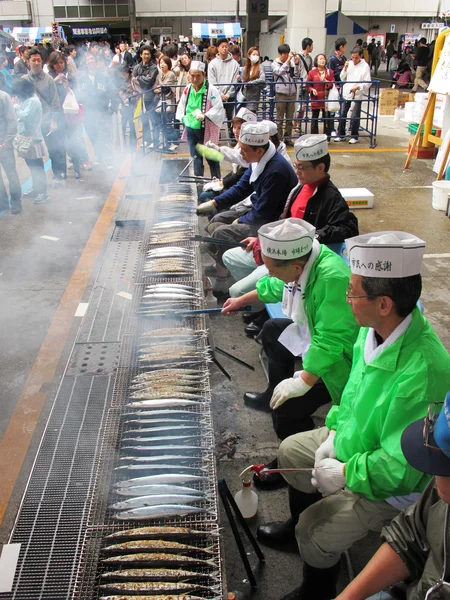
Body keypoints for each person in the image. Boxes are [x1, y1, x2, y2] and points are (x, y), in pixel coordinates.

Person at [256, 231, 450, 600]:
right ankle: (299, 533)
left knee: (315, 529)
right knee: (292, 451)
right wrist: (332, 434)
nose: (346, 299)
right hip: (354, 444)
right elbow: (350, 394)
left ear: (384, 304)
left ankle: (316, 586)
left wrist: (347, 472)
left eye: (353, 293)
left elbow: (403, 467)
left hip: (391, 485)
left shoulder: (425, 371)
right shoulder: (371, 331)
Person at [222, 216, 358, 475]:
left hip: (341, 361)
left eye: (272, 268)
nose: (269, 272)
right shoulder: (306, 260)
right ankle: (272, 392)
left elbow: (332, 341)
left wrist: (302, 381)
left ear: (296, 268)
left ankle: (296, 463)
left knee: (286, 410)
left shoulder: (332, 277)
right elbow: (275, 285)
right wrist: (240, 300)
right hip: (316, 337)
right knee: (273, 331)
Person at [222, 135, 358, 335]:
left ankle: (268, 313)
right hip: (279, 251)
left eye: (303, 168)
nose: (297, 172)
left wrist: (309, 238)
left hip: (295, 256)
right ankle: (262, 308)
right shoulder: (299, 187)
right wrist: (264, 240)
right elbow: (284, 221)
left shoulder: (331, 197)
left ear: (320, 168)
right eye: (296, 166)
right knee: (230, 257)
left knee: (237, 290)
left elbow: (348, 227)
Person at [335, 390, 450, 600]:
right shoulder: (441, 493)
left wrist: (347, 473)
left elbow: (397, 472)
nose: (433, 476)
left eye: (444, 466)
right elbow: (412, 534)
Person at [198, 121, 297, 295]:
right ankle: (222, 265)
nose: (240, 154)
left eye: (244, 150)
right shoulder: (258, 159)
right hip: (259, 211)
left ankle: (223, 281)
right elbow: (241, 188)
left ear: (259, 150)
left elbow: (263, 213)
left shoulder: (276, 171)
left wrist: (238, 220)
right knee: (217, 218)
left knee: (220, 232)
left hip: (271, 223)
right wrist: (215, 203)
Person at [175, 60, 224, 178]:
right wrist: (184, 118)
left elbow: (218, 108)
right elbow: (182, 106)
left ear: (204, 75)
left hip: (205, 128)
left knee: (211, 157)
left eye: (198, 76)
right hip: (191, 127)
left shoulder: (211, 90)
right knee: (195, 156)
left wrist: (205, 115)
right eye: (192, 75)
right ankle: (198, 182)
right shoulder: (188, 89)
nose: (195, 79)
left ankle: (216, 181)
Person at [25, 47, 65, 186]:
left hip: (47, 121)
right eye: (33, 60)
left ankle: (58, 176)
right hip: (31, 125)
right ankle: (39, 185)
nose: (36, 63)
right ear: (28, 62)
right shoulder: (24, 81)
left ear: (42, 62)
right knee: (33, 155)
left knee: (54, 150)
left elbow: (55, 102)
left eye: (38, 60)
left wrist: (54, 121)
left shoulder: (48, 80)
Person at [11, 78, 49, 205]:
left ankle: (42, 192)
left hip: (33, 140)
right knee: (32, 167)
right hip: (27, 138)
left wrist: (15, 106)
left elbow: (25, 116)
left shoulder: (32, 101)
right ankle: (36, 189)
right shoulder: (27, 100)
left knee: (37, 167)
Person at [77, 52, 117, 169]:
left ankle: (109, 160)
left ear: (96, 62)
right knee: (92, 136)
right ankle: (99, 158)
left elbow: (112, 91)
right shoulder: (82, 79)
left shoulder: (103, 77)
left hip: (102, 111)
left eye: (92, 59)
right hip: (88, 112)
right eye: (88, 59)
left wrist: (112, 107)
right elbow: (79, 95)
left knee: (104, 136)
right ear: (86, 63)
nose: (90, 61)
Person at [334, 46, 371, 145]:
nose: (354, 60)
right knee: (342, 113)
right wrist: (345, 68)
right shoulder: (349, 63)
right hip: (347, 92)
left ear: (360, 56)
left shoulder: (365, 66)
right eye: (353, 57)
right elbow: (342, 78)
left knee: (355, 115)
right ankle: (341, 134)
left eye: (356, 58)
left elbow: (368, 82)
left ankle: (354, 135)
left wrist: (358, 86)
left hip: (357, 93)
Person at [207, 40, 240, 140]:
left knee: (232, 117)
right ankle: (216, 136)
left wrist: (228, 94)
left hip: (230, 96)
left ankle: (233, 136)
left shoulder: (235, 64)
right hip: (216, 96)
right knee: (216, 117)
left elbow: (235, 80)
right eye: (222, 46)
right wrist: (220, 94)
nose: (224, 48)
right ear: (218, 48)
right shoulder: (212, 64)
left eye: (226, 46)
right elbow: (212, 81)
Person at [272, 44, 301, 145]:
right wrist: (288, 61)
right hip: (281, 93)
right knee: (280, 118)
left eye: (288, 54)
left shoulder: (291, 62)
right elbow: (279, 72)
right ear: (280, 54)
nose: (286, 56)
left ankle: (288, 138)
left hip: (292, 92)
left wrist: (296, 64)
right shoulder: (275, 63)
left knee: (289, 118)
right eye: (284, 54)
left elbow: (296, 75)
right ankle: (279, 139)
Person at [131, 45, 158, 148]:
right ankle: (147, 140)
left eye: (148, 54)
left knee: (153, 119)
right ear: (141, 55)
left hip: (150, 96)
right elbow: (133, 80)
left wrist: (139, 78)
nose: (146, 56)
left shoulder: (153, 67)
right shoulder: (137, 67)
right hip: (140, 97)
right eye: (144, 54)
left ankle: (155, 140)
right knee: (144, 119)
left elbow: (150, 81)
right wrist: (143, 78)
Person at [0, 89, 22, 215]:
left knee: (11, 174)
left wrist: (7, 142)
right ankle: (2, 202)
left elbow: (12, 120)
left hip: (4, 145)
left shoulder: (3, 97)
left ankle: (16, 202)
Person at [306, 54, 334, 137]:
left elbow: (332, 84)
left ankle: (327, 136)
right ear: (316, 61)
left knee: (327, 117)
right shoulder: (312, 72)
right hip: (316, 98)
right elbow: (308, 85)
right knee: (315, 117)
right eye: (320, 59)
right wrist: (312, 89)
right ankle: (314, 136)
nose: (323, 60)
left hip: (326, 99)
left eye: (324, 59)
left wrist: (325, 80)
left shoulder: (329, 72)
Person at [152, 55, 177, 148]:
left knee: (168, 122)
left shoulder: (171, 74)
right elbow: (155, 87)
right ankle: (165, 141)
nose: (162, 64)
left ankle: (172, 142)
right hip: (160, 100)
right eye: (161, 63)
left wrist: (160, 88)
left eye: (164, 63)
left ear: (168, 64)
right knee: (162, 122)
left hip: (169, 100)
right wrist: (159, 89)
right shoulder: (159, 75)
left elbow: (167, 88)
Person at [327, 37, 347, 138]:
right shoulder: (332, 59)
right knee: (332, 109)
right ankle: (331, 129)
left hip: (343, 87)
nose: (345, 48)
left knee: (342, 109)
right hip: (335, 87)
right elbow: (331, 73)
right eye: (345, 46)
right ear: (341, 47)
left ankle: (341, 130)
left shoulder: (344, 59)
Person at [239, 47, 265, 112]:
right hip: (244, 97)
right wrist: (239, 80)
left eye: (257, 55)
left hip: (254, 97)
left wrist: (249, 83)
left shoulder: (260, 67)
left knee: (251, 116)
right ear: (249, 56)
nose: (256, 56)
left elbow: (262, 79)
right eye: (254, 54)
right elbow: (242, 81)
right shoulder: (244, 69)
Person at [296, 38, 314, 135]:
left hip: (306, 85)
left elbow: (310, 71)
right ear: (308, 46)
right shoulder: (297, 57)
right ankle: (295, 123)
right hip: (298, 84)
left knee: (303, 106)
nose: (312, 47)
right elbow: (296, 71)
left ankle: (298, 124)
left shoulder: (310, 58)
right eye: (312, 45)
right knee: (298, 105)